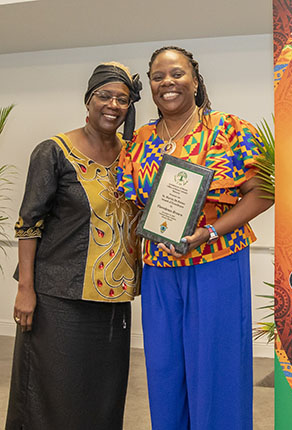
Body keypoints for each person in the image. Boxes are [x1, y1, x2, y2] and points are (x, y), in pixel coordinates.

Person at [117, 46, 273, 429]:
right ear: (150, 85)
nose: (167, 83)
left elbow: (265, 191)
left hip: (215, 263)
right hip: (159, 269)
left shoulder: (229, 130)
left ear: (195, 79)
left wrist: (210, 231)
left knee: (215, 369)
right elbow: (129, 200)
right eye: (158, 76)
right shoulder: (139, 140)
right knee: (165, 369)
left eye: (176, 74)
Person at [5, 62, 142, 430]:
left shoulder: (133, 155)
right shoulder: (54, 151)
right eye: (104, 96)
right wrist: (25, 290)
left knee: (103, 393)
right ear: (88, 100)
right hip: (57, 298)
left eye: (122, 99)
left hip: (112, 300)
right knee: (54, 393)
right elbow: (29, 223)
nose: (113, 105)